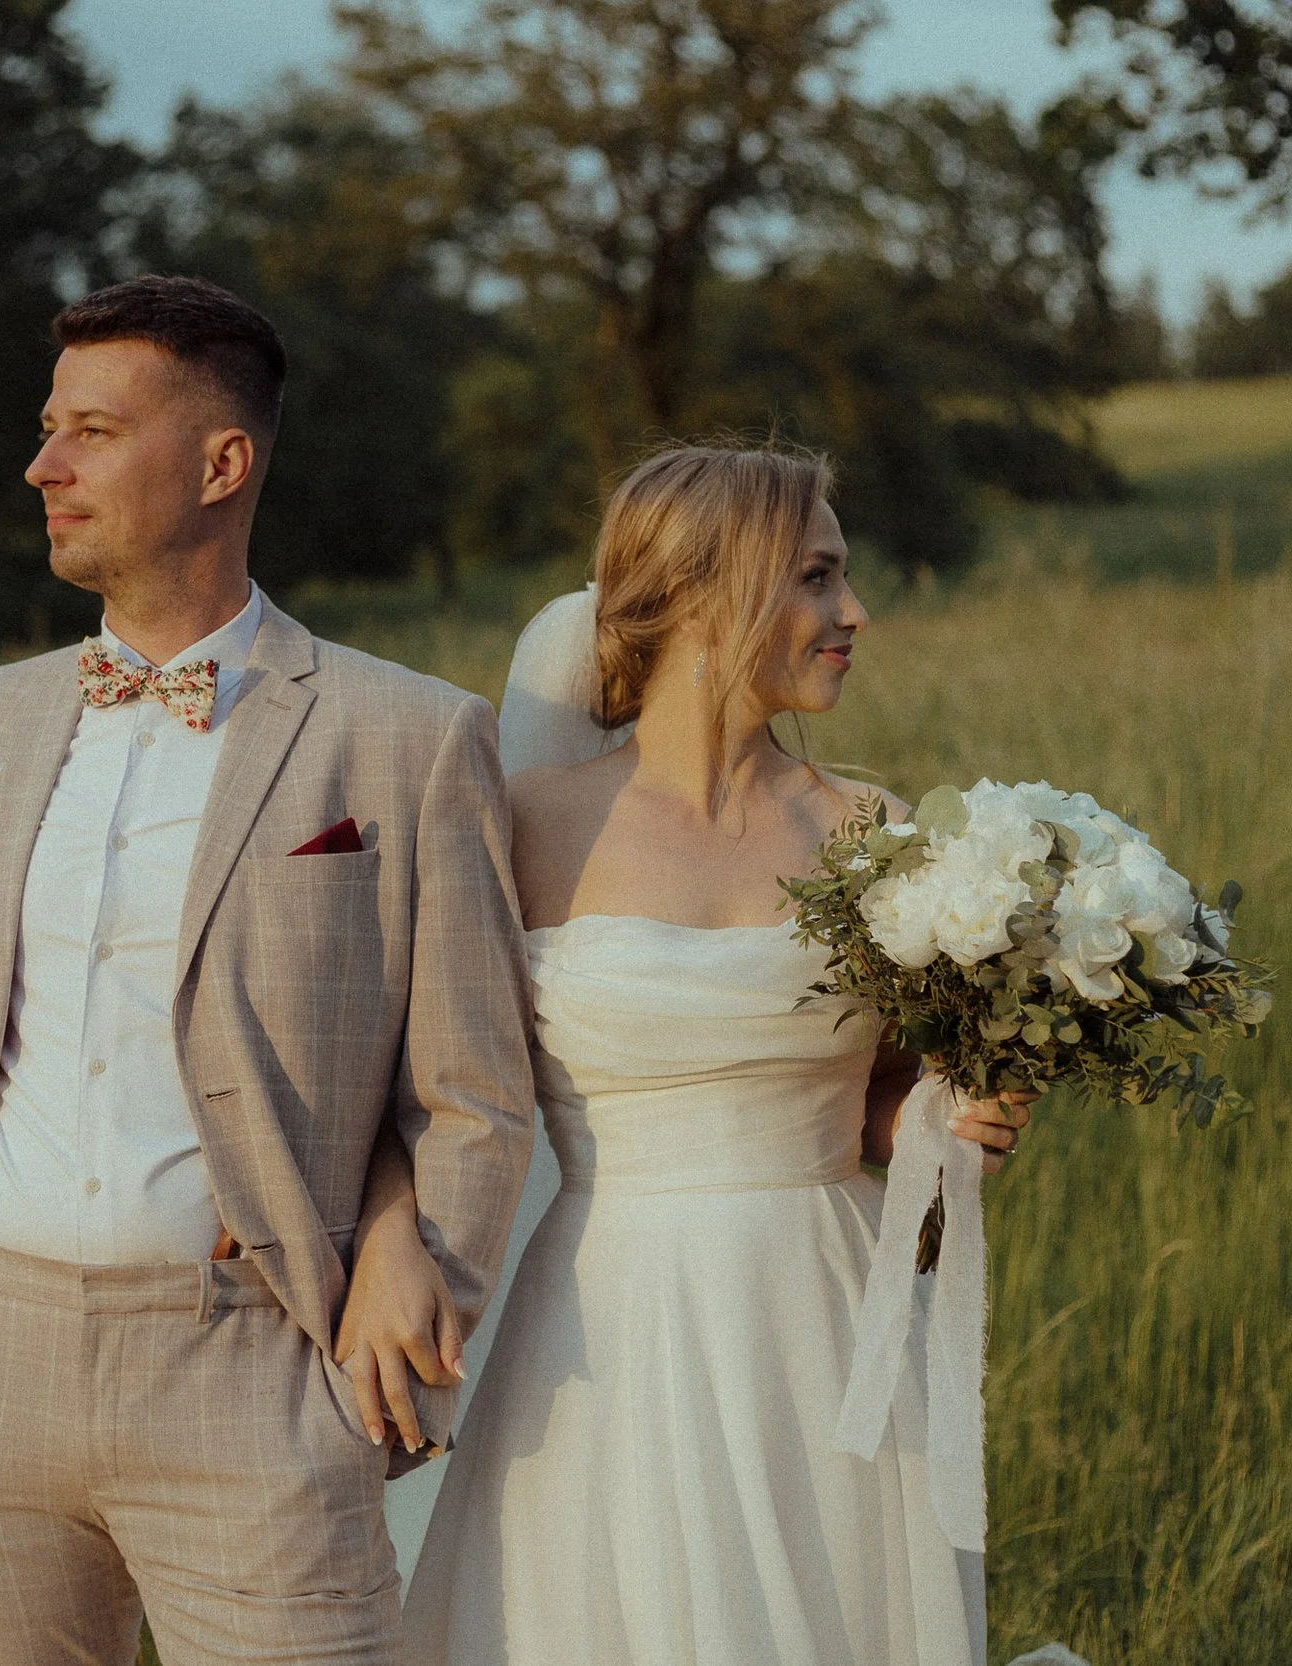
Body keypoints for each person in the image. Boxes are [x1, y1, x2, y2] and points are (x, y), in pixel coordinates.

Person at [0, 275, 535, 1666]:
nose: (43, 464)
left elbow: (475, 1092)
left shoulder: (410, 736)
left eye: (91, 429)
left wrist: (376, 1364)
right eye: (46, 427)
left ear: (222, 463)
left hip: (255, 1383)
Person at [387, 443, 1036, 1664]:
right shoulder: (520, 823)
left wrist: (951, 1121)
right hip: (605, 1327)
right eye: (813, 577)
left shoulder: (874, 831)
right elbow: (422, 1082)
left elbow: (883, 1107)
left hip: (825, 1315)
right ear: (696, 594)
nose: (852, 613)